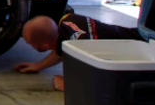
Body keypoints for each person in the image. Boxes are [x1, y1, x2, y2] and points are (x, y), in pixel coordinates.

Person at [13, 13, 141, 91]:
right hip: (137, 34)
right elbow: (60, 49)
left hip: (144, 55)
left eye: (30, 43)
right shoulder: (68, 19)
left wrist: (66, 86)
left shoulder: (78, 54)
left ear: (44, 46)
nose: (29, 45)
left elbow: (98, 85)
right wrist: (38, 66)